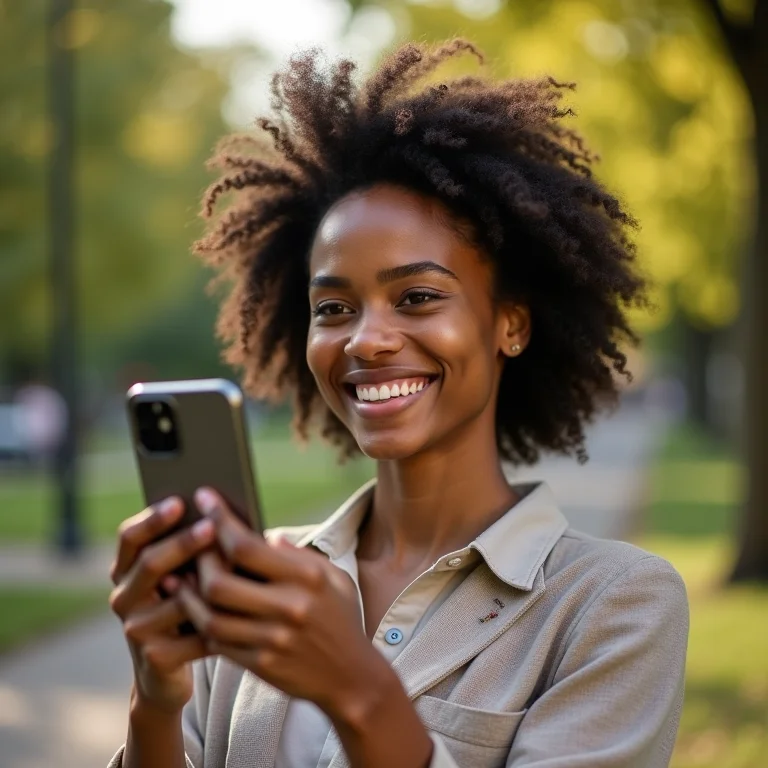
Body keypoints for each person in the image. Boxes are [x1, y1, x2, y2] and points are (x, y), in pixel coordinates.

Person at [107, 40, 689, 768]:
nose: (366, 341)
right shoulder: (258, 579)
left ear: (510, 322)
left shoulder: (612, 603)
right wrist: (155, 702)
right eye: (334, 307)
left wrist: (356, 688)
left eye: (417, 297)